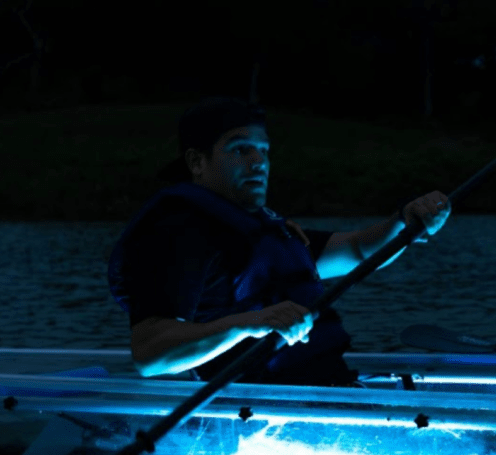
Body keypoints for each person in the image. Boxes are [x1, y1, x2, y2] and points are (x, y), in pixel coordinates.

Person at [109, 97, 450, 385]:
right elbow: (150, 354)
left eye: (263, 151)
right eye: (240, 150)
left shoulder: (262, 229)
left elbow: (359, 250)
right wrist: (245, 324)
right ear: (197, 162)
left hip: (322, 390)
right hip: (258, 413)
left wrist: (405, 224)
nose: (258, 163)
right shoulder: (177, 234)